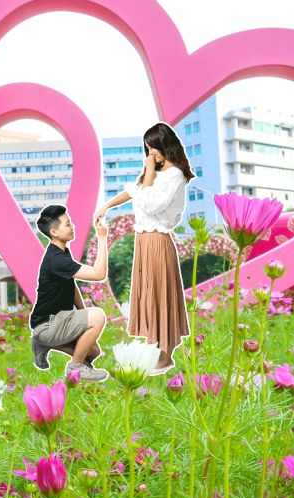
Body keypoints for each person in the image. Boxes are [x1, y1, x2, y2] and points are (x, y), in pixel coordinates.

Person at [94, 122, 192, 375]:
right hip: (144, 241)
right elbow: (133, 191)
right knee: (148, 293)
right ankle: (153, 345)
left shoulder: (174, 175)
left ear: (164, 146)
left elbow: (150, 204)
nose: (150, 155)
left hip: (158, 240)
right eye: (147, 150)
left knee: (160, 292)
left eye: (153, 149)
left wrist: (148, 171)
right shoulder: (155, 173)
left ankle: (165, 353)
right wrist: (106, 206)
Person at [30, 204, 110, 382]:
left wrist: (81, 312)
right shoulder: (56, 259)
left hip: (57, 321)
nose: (72, 226)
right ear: (54, 232)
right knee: (98, 316)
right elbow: (99, 274)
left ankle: (42, 343)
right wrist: (102, 238)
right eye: (67, 224)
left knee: (93, 352)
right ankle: (75, 368)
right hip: (48, 324)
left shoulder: (61, 253)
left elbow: (71, 287)